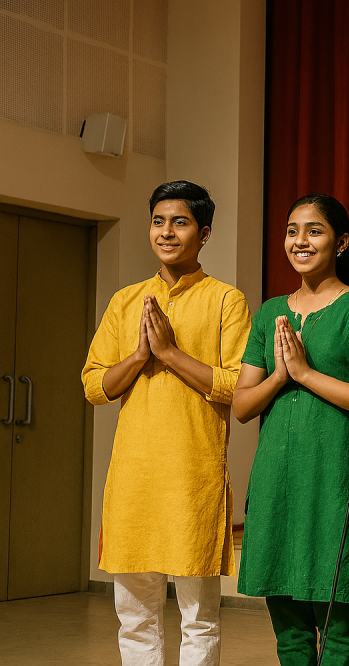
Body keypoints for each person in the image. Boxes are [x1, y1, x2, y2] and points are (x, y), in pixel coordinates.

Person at [82, 180, 252, 665]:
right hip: (134, 479)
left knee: (199, 617)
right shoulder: (125, 300)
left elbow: (238, 385)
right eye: (159, 221)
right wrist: (139, 356)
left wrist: (171, 354)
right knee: (134, 615)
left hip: (192, 477)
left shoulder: (226, 301)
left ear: (205, 233)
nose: (166, 232)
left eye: (180, 222)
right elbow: (95, 385)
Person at [232, 194, 349, 665]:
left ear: (340, 242)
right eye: (292, 230)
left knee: (336, 622)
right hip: (277, 476)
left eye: (314, 231)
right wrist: (280, 376)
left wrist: (302, 373)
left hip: (334, 477)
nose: (300, 241)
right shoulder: (270, 311)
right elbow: (241, 405)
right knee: (288, 625)